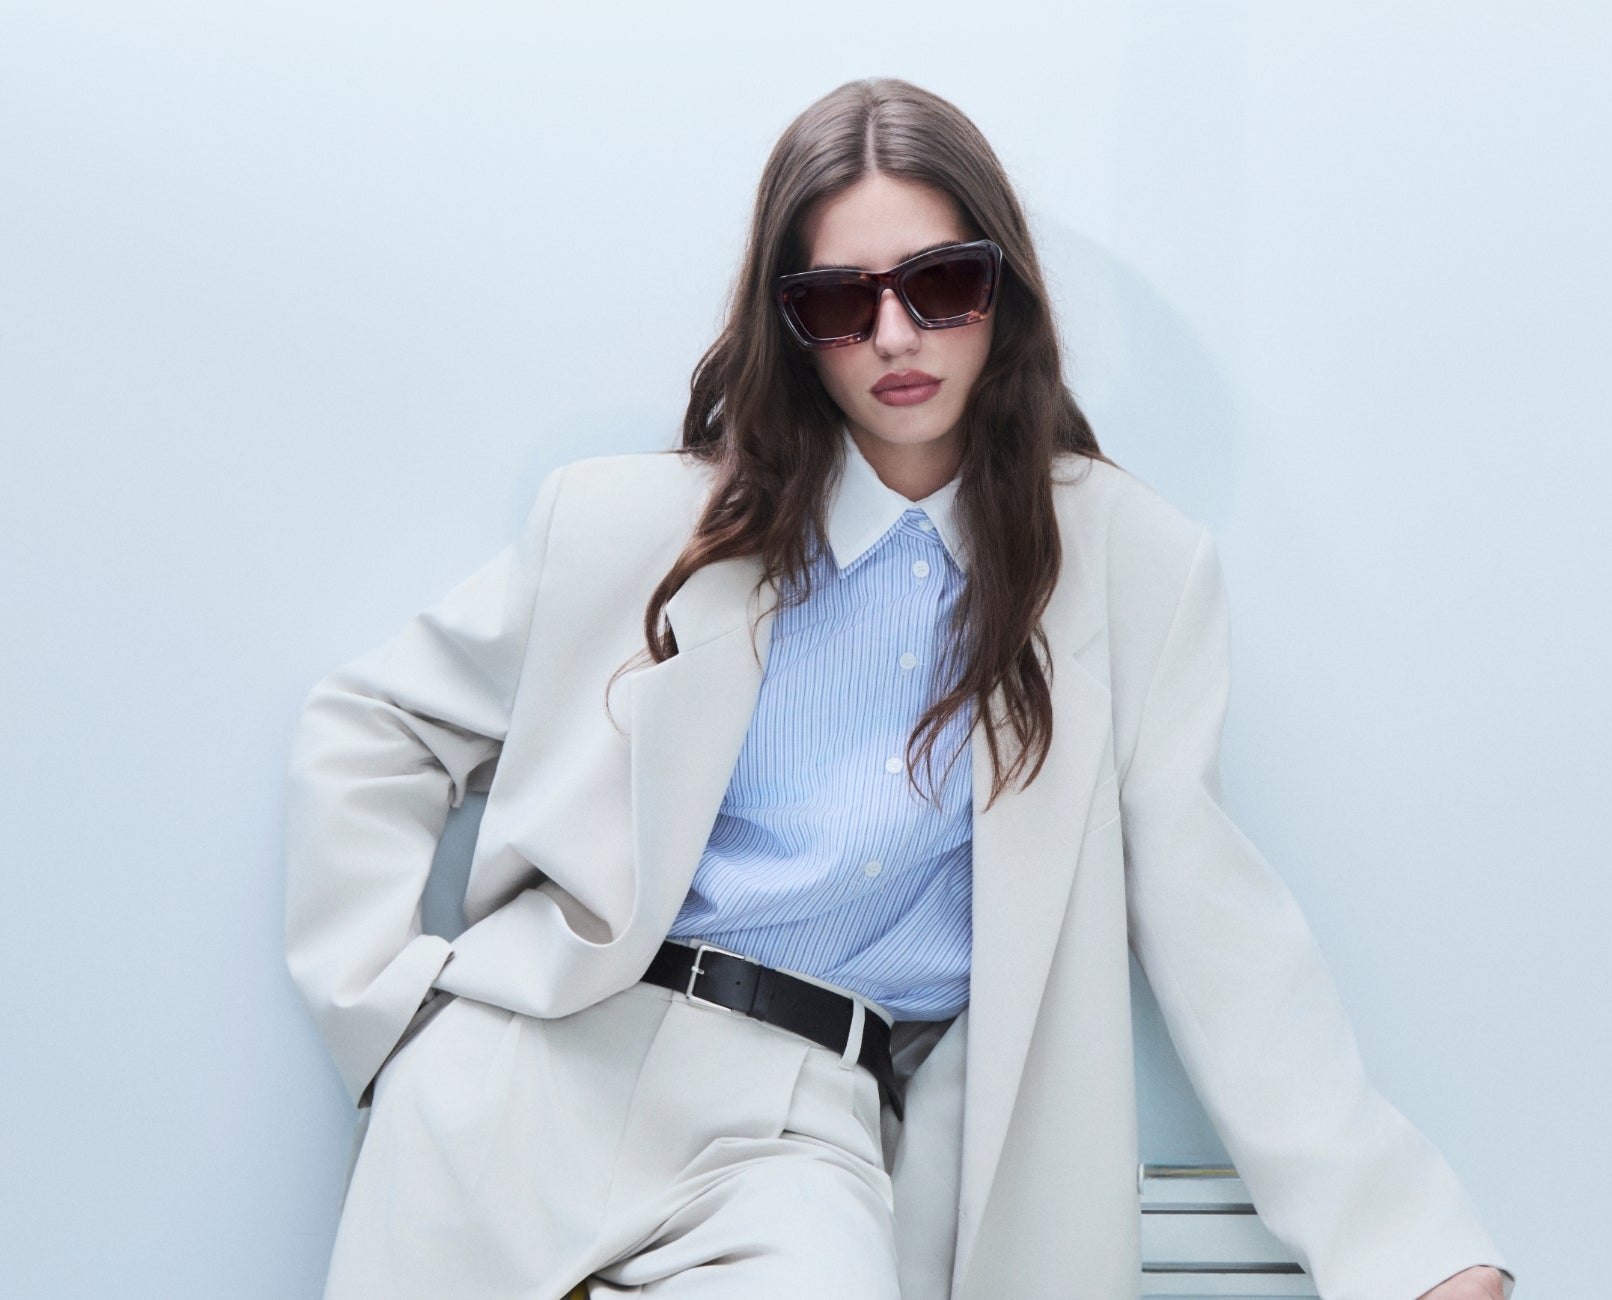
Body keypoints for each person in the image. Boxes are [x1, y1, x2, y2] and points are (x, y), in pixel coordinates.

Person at [285, 77, 1514, 1300]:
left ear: (1001, 290)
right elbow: (374, 724)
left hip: (801, 1132)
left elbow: (1217, 927)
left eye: (940, 284)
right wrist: (385, 1014)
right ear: (790, 325)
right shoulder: (633, 525)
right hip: (526, 1076)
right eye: (839, 300)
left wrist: (1406, 1248)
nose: (893, 336)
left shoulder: (1126, 570)